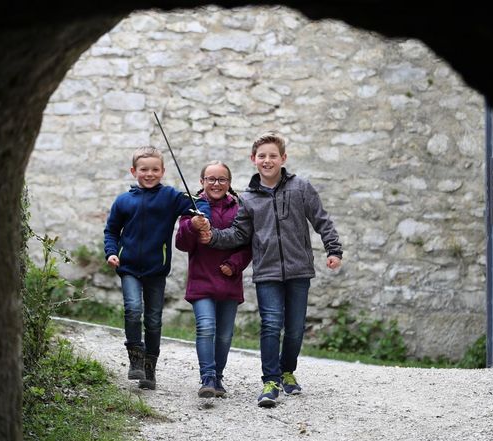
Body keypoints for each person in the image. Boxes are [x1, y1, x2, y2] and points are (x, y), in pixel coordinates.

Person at [195, 130, 342, 407]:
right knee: (271, 325)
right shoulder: (248, 199)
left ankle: (288, 371)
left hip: (299, 270)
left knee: (296, 328)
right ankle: (270, 381)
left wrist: (333, 249)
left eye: (273, 155)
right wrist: (212, 235)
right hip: (266, 273)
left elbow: (322, 220)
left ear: (283, 158)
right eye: (262, 156)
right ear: (253, 159)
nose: (267, 160)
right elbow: (239, 234)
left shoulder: (301, 188)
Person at [104, 145, 211, 390]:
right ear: (134, 171)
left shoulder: (170, 197)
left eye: (154, 169)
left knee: (153, 320)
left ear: (162, 171)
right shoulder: (123, 201)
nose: (149, 174)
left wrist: (201, 218)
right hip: (128, 266)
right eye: (144, 169)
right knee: (133, 309)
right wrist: (111, 253)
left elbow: (200, 206)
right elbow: (111, 231)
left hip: (156, 269)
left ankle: (149, 370)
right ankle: (136, 359)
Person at [175, 161, 252, 398]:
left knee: (225, 334)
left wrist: (234, 265)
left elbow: (248, 244)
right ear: (202, 182)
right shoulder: (193, 208)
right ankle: (207, 377)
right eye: (211, 179)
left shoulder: (240, 208)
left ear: (229, 183)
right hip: (201, 280)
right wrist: (192, 227)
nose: (216, 184)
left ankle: (218, 377)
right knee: (206, 327)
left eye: (221, 180)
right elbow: (182, 243)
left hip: (229, 280)